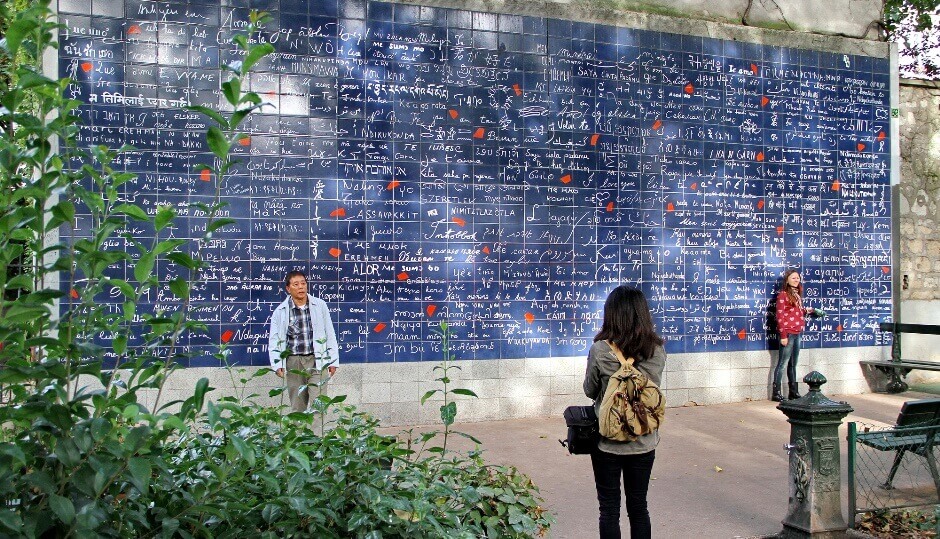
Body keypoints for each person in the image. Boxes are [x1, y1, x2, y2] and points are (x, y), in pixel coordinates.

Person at [583, 285, 666, 539]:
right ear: (643, 313)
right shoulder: (656, 349)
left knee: (608, 510)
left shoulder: (600, 350)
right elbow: (651, 391)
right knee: (639, 508)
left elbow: (589, 389)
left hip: (607, 441)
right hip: (643, 440)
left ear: (611, 314)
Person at [268, 270, 339, 412]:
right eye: (296, 284)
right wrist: (277, 363)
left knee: (318, 405)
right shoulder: (280, 311)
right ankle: (299, 434)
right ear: (288, 288)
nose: (301, 287)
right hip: (294, 362)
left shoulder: (320, 305)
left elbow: (330, 333)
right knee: (297, 406)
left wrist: (333, 360)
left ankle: (317, 435)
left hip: (317, 359)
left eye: (303, 283)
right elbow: (275, 339)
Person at [772, 269, 816, 402]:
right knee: (782, 363)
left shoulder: (797, 295)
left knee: (793, 364)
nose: (796, 280)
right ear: (787, 280)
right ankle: (777, 392)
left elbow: (795, 311)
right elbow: (780, 315)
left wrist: (807, 310)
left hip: (797, 332)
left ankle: (793, 391)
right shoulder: (783, 295)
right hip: (788, 333)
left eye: (798, 278)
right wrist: (783, 335)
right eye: (793, 278)